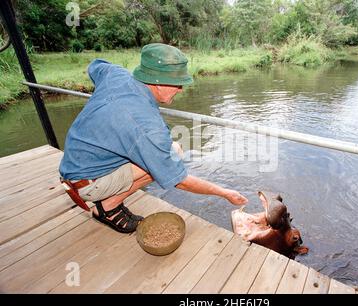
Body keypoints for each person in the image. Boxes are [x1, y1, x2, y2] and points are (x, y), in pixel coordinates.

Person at [59, 43, 248, 233]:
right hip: (87, 184)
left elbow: (95, 65)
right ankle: (108, 207)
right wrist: (225, 193)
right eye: (177, 84)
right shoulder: (146, 126)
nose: (181, 89)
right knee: (169, 157)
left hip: (74, 165)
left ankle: (106, 197)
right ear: (157, 82)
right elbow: (179, 179)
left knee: (167, 150)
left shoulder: (116, 75)